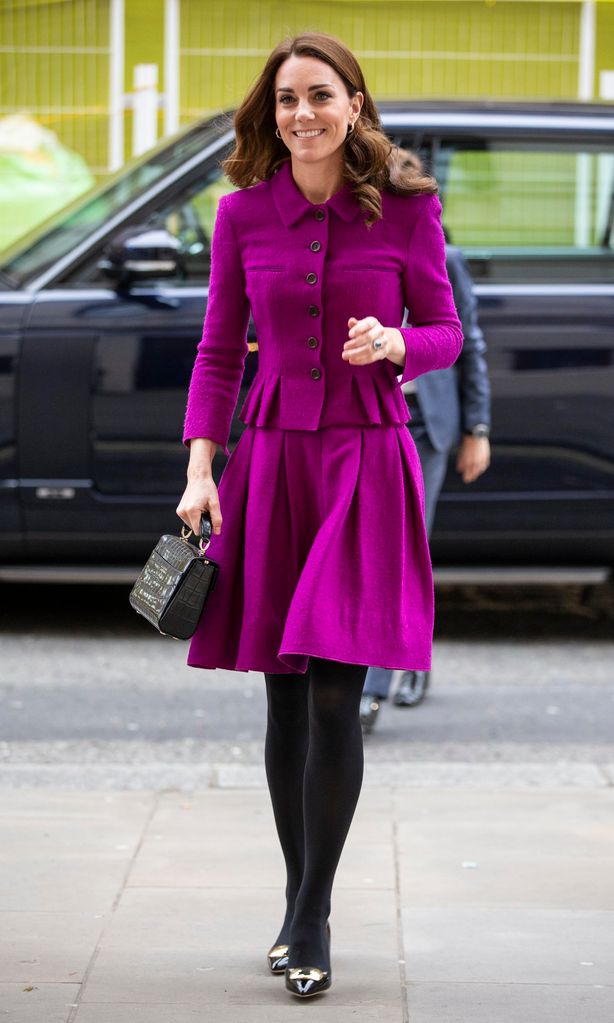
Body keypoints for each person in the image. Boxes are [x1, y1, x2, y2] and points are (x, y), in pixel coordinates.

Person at [176, 32, 462, 1000]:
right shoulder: (240, 215)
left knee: (339, 684)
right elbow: (218, 351)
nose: (303, 112)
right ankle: (299, 897)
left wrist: (397, 342)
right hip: (268, 460)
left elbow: (446, 330)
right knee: (284, 690)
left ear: (353, 104)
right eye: (287, 98)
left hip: (363, 459)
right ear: (271, 112)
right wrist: (200, 469)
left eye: (321, 95)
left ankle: (310, 913)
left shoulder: (407, 209)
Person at [360, 155, 491, 731]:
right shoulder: (353, 251)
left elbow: (470, 345)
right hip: (372, 421)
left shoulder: (444, 255)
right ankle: (375, 675)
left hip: (428, 425)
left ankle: (390, 671)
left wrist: (476, 430)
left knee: (406, 552)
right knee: (366, 552)